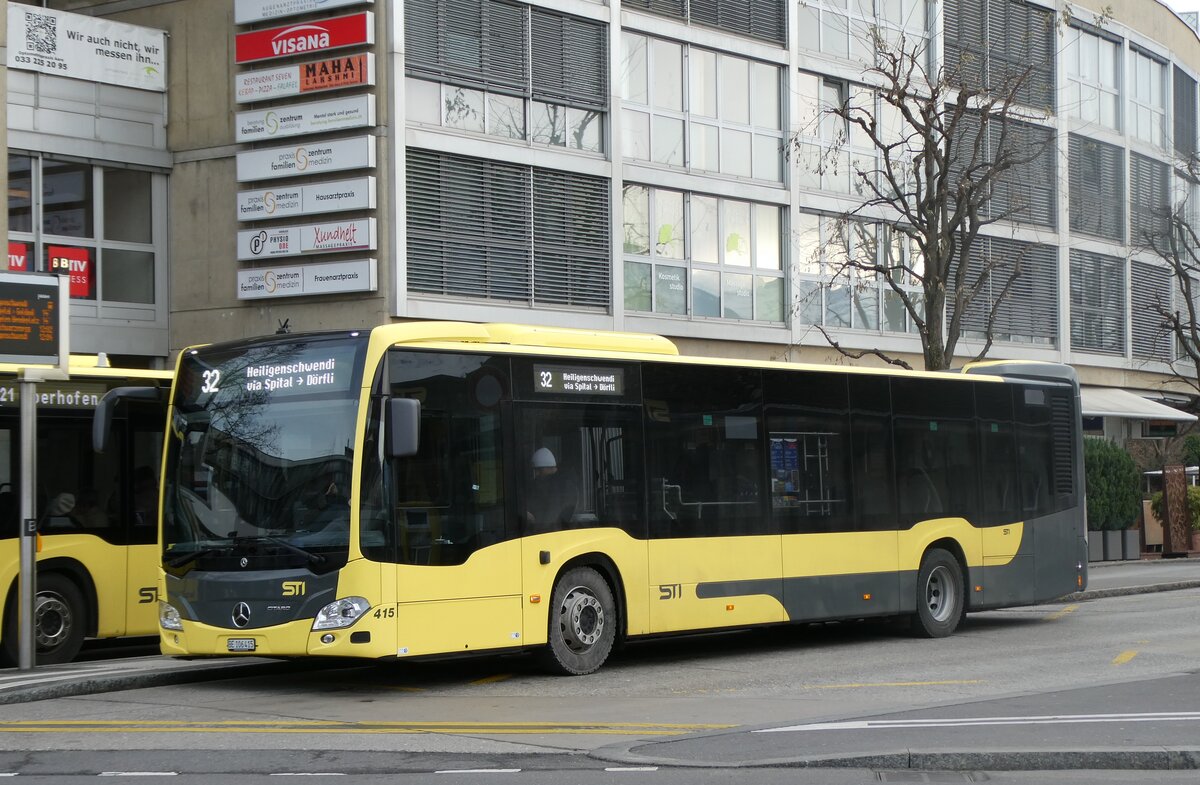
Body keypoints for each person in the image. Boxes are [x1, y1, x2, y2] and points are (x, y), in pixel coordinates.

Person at [525, 447, 576, 530]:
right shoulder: (565, 483)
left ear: (547, 468)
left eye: (538, 470)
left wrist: (534, 519)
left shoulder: (557, 487)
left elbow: (550, 517)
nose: (536, 474)